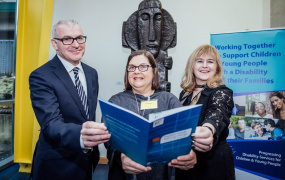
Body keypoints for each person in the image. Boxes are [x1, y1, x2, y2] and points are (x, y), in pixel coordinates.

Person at [29, 19, 111, 180]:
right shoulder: (40, 76)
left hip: (87, 160)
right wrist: (83, 137)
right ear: (55, 44)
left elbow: (86, 114)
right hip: (57, 163)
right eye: (67, 39)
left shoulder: (91, 73)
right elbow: (51, 124)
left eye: (79, 38)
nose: (76, 44)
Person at [105, 50, 197, 180]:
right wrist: (121, 156)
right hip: (125, 174)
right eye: (132, 67)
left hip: (161, 174)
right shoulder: (116, 102)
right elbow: (108, 140)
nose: (137, 71)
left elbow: (184, 132)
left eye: (143, 66)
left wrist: (189, 151)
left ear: (154, 71)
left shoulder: (168, 99)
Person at [177, 44, 235, 180]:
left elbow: (217, 113)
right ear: (192, 65)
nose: (205, 66)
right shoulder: (185, 93)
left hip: (213, 163)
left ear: (217, 68)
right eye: (199, 61)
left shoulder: (222, 92)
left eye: (210, 62)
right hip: (187, 160)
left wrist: (208, 129)